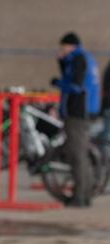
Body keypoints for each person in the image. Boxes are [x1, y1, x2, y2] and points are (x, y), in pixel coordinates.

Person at [51, 31, 100, 207]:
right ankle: (84, 195)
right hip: (83, 111)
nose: (61, 50)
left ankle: (80, 196)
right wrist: (62, 62)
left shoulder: (79, 59)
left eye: (63, 47)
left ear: (70, 46)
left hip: (78, 113)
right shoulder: (82, 58)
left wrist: (57, 83)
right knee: (80, 155)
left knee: (77, 155)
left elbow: (75, 85)